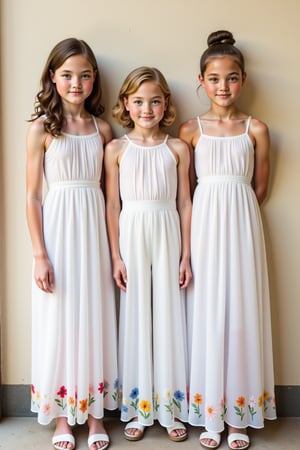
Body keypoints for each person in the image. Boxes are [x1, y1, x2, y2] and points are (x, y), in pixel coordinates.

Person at [179, 30, 276, 450]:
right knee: (206, 311)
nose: (223, 87)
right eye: (215, 79)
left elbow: (260, 188)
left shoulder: (257, 129)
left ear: (244, 79)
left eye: (232, 78)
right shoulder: (190, 130)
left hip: (242, 228)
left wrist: (237, 215)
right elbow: (185, 191)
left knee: (239, 313)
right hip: (203, 229)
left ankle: (238, 417)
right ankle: (209, 415)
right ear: (201, 80)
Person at [26, 38, 118, 450]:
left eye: (83, 75)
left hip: (94, 233)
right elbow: (32, 196)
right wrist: (39, 254)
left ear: (94, 78)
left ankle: (96, 415)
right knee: (60, 319)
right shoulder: (42, 129)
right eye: (66, 75)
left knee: (95, 315)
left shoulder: (102, 129)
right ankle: (65, 417)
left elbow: (111, 194)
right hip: (58, 233)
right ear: (53, 77)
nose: (75, 82)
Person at [105, 66, 192, 442]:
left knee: (169, 314)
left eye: (155, 101)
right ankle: (139, 411)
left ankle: (171, 409)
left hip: (168, 231)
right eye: (138, 101)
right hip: (132, 234)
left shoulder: (177, 148)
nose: (147, 108)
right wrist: (115, 257)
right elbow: (111, 206)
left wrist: (186, 255)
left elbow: (186, 202)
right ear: (126, 103)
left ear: (166, 103)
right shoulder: (116, 149)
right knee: (138, 314)